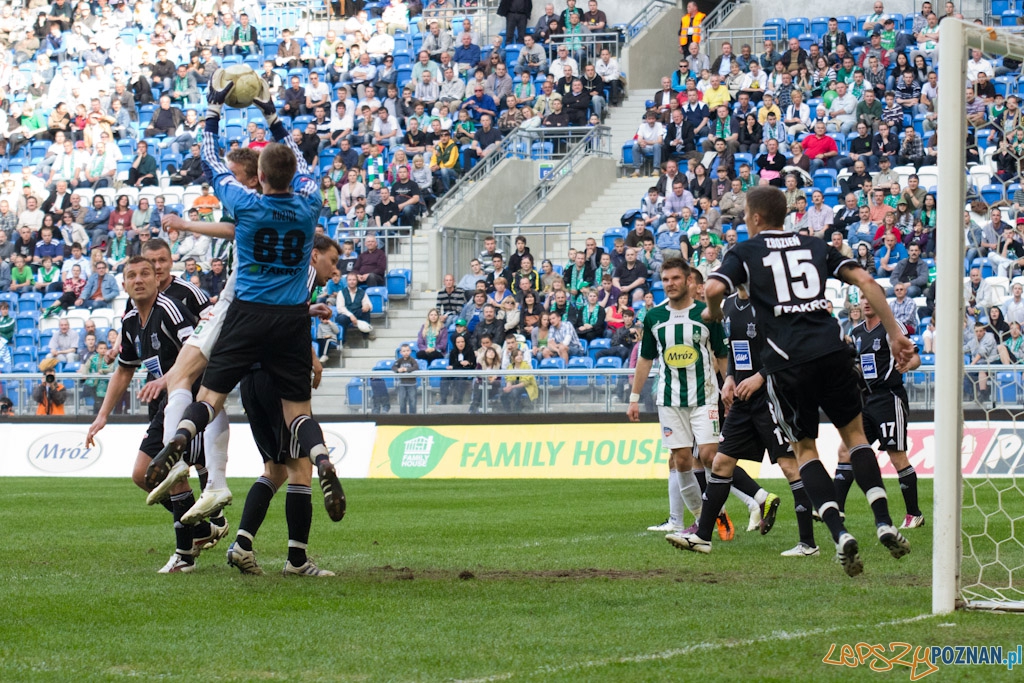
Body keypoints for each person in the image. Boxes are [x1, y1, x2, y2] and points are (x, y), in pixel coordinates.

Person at [147, 76, 345, 528]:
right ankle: (322, 458)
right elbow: (296, 157)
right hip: (290, 318)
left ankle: (180, 438)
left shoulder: (245, 203)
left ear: (258, 177)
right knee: (298, 412)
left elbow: (210, 160)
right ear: (295, 175)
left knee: (211, 396)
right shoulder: (310, 204)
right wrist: (271, 112)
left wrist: (215, 109)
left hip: (247, 312)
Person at [699, 186, 913, 577]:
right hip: (832, 351)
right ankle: (884, 521)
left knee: (805, 450)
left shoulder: (746, 253)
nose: (745, 220)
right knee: (855, 438)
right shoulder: (814, 245)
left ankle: (839, 533)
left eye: (746, 214)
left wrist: (713, 312)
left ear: (757, 217)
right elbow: (866, 281)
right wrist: (895, 332)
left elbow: (713, 290)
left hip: (787, 362)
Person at [85, 256, 223, 573]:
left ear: (156, 279)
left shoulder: (171, 311)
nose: (139, 279)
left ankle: (184, 555)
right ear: (124, 285)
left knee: (169, 474)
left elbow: (200, 352)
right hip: (163, 402)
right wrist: (102, 415)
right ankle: (201, 529)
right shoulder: (131, 321)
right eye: (132, 275)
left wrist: (168, 379)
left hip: (186, 396)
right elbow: (123, 370)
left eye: (145, 273)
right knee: (143, 476)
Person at [627, 258, 730, 538]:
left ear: (688, 281)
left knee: (710, 456)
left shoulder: (707, 314)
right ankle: (703, 519)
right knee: (681, 460)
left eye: (675, 278)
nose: (669, 284)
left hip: (705, 396)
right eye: (665, 280)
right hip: (670, 399)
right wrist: (634, 397)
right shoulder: (654, 318)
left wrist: (728, 385)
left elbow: (722, 354)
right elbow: (645, 359)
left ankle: (714, 514)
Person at [839, 298, 925, 529]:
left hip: (888, 398)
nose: (866, 304)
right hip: (864, 400)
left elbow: (914, 355)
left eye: (870, 300)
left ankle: (913, 514)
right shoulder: (855, 332)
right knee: (846, 450)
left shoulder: (891, 327)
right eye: (863, 301)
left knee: (896, 456)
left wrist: (910, 364)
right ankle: (836, 509)